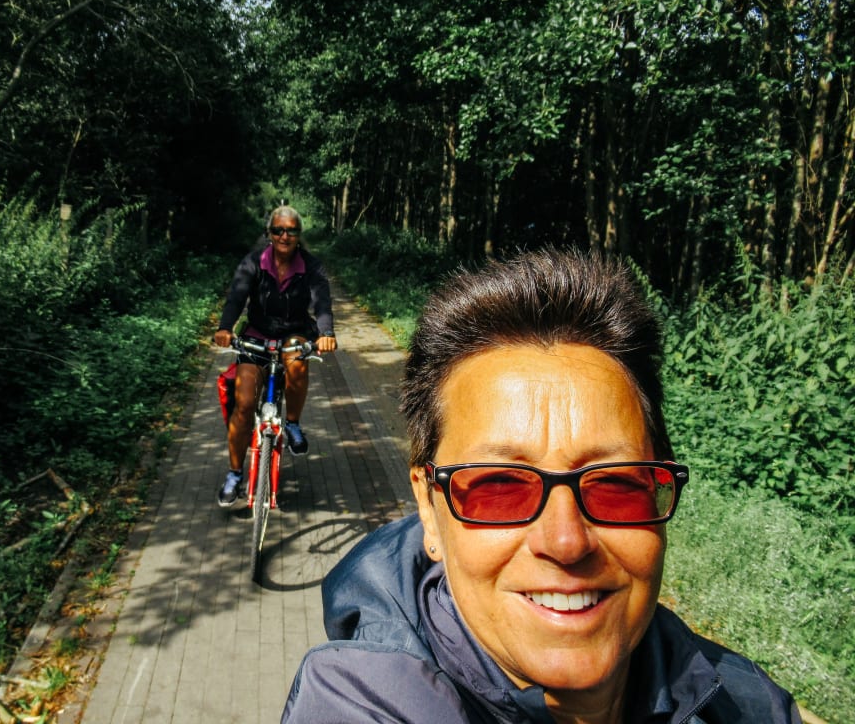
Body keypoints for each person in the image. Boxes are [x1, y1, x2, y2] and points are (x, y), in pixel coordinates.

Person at [282, 249, 801, 723]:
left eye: (614, 484)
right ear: (428, 508)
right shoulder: (359, 700)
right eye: (499, 487)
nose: (566, 541)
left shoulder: (746, 698)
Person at [213, 205, 337, 507]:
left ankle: (292, 423)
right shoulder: (254, 262)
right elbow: (236, 297)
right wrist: (225, 328)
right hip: (257, 333)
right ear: (269, 233)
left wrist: (326, 333)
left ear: (299, 235)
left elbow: (322, 303)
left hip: (294, 331)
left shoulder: (311, 267)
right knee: (244, 405)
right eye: (278, 230)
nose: (284, 236)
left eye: (291, 231)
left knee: (297, 361)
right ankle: (234, 475)